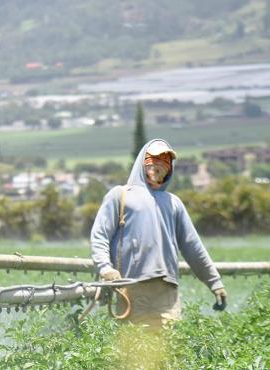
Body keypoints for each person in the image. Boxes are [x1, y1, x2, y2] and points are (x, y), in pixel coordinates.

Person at [90, 139, 226, 329]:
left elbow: (193, 246)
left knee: (168, 346)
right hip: (130, 286)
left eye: (166, 160)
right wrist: (105, 268)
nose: (160, 164)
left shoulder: (174, 203)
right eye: (154, 158)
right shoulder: (121, 195)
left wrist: (214, 282)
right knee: (132, 346)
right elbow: (100, 235)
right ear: (142, 162)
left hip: (166, 289)